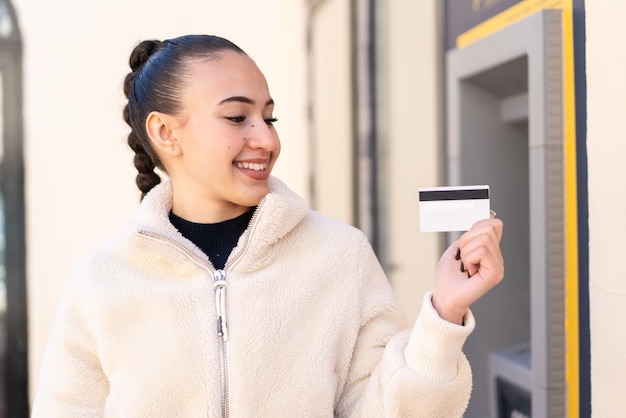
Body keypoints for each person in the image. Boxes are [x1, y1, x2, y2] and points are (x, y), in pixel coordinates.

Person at [31, 34, 504, 417]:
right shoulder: (102, 280)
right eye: (238, 117)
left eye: (269, 117)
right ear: (165, 132)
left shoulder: (339, 254)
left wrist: (443, 313)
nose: (266, 138)